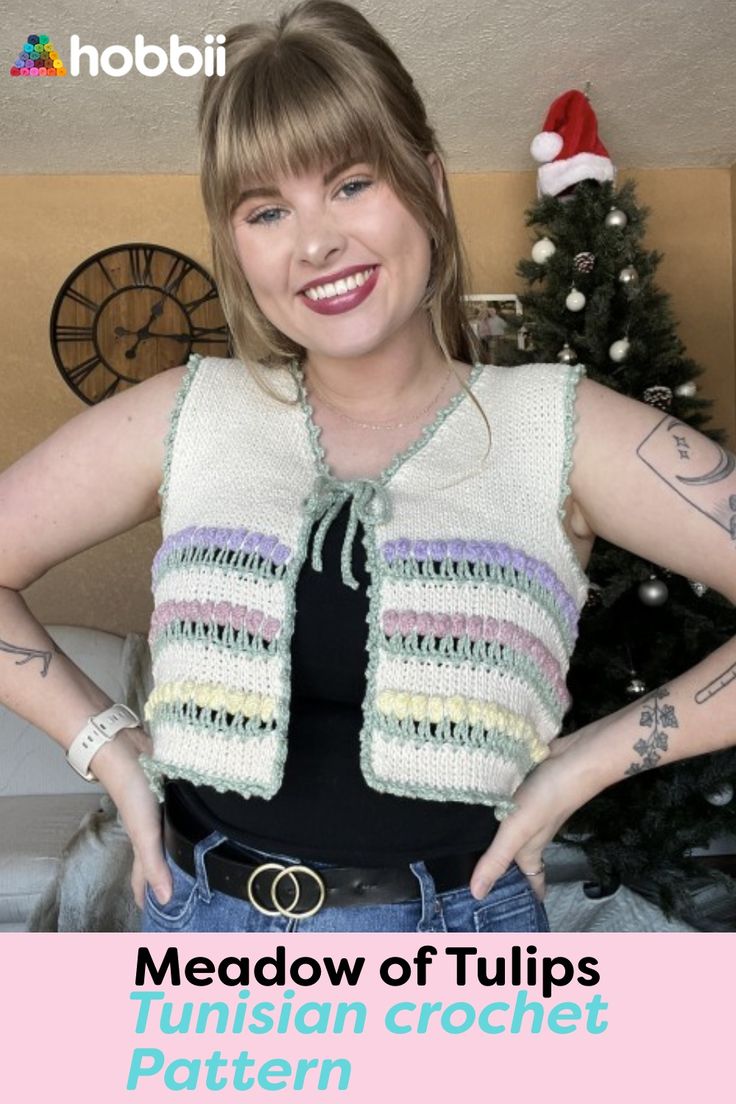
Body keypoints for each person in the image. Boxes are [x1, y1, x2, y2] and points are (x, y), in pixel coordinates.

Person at [1, 0, 734, 934]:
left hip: (458, 937)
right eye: (267, 210)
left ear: (427, 181)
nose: (315, 243)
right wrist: (104, 745)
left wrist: (587, 761)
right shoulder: (188, 414)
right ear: (238, 247)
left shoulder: (560, 427)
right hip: (199, 924)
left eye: (351, 184)